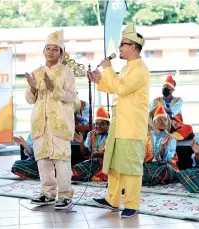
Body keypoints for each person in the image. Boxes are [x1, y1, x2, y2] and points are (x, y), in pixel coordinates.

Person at [88, 24, 150, 218]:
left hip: (131, 126)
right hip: (119, 124)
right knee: (115, 163)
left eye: (123, 44)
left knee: (130, 167)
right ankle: (112, 199)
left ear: (133, 47)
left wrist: (107, 69)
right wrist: (100, 80)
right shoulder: (126, 68)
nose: (120, 48)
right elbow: (117, 87)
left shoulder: (140, 70)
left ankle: (132, 204)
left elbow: (122, 89)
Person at [25, 29, 76, 210]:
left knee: (61, 161)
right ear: (43, 51)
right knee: (43, 160)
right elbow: (30, 100)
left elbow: (71, 98)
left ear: (61, 53)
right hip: (41, 123)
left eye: (55, 49)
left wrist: (52, 87)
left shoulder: (67, 73)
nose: (51, 52)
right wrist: (32, 88)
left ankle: (65, 195)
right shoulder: (36, 72)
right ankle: (47, 194)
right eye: (48, 48)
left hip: (60, 124)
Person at [143, 106, 179, 186]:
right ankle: (150, 179)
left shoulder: (171, 138)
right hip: (149, 165)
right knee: (138, 167)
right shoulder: (147, 136)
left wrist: (162, 147)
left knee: (164, 169)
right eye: (159, 119)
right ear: (153, 122)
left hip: (165, 166)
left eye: (165, 119)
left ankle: (146, 180)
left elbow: (166, 160)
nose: (163, 122)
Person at [149, 75, 193, 140]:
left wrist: (159, 108)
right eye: (164, 86)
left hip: (174, 125)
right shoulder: (156, 100)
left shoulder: (178, 100)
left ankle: (170, 137)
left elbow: (173, 111)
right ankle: (163, 136)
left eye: (167, 87)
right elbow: (150, 113)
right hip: (159, 125)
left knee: (188, 128)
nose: (164, 88)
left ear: (172, 90)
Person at [72, 106, 110, 181]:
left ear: (108, 125)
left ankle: (92, 177)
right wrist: (81, 142)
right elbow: (84, 154)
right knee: (75, 169)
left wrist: (100, 155)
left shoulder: (111, 136)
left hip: (107, 163)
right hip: (93, 162)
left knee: (109, 173)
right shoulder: (91, 134)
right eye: (96, 124)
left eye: (102, 124)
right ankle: (93, 177)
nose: (98, 126)